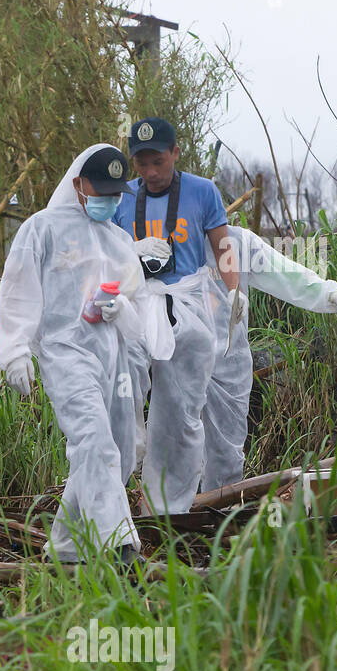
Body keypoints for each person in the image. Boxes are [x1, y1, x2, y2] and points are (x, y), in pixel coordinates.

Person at [0, 144, 147, 565]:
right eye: (100, 192)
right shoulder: (41, 229)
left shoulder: (119, 240)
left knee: (115, 446)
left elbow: (135, 298)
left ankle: (66, 546)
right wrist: (15, 351)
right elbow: (18, 291)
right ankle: (120, 546)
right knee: (93, 438)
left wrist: (122, 310)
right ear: (79, 185)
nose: (108, 201)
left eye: (116, 194)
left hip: (112, 354)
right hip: (65, 351)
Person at [114, 116, 240, 514]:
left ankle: (170, 506)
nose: (150, 173)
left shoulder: (202, 192)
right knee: (120, 391)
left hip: (185, 306)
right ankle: (112, 489)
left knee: (180, 409)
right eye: (141, 164)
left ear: (175, 153)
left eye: (159, 162)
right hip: (134, 304)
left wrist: (235, 289)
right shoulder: (119, 197)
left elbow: (223, 247)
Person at [199, 226, 337, 492]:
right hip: (176, 360)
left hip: (228, 363)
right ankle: (165, 519)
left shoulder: (238, 242)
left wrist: (330, 294)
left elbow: (285, 275)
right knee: (175, 445)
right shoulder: (163, 239)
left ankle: (215, 517)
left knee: (227, 452)